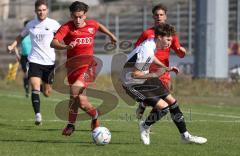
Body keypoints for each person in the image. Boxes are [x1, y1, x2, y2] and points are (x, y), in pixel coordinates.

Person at [121, 23, 207, 145]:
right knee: (163, 107)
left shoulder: (152, 43)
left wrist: (165, 67)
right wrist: (156, 74)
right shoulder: (146, 49)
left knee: (172, 101)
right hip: (131, 83)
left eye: (171, 40)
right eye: (168, 39)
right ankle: (145, 126)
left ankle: (185, 136)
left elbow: (151, 58)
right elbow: (135, 74)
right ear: (160, 37)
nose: (169, 43)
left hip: (143, 76)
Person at [50, 1, 117, 136]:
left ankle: (88, 117)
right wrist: (66, 47)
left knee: (75, 92)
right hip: (73, 69)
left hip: (89, 67)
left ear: (85, 15)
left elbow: (98, 26)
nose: (78, 20)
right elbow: (53, 43)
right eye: (75, 17)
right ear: (71, 15)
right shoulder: (67, 27)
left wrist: (111, 36)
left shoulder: (91, 24)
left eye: (80, 16)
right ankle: (78, 121)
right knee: (77, 99)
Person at [7, 0, 60, 125]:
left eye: (43, 10)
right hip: (34, 60)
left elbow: (64, 35)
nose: (41, 12)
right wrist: (12, 45)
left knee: (47, 93)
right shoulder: (31, 24)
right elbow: (20, 36)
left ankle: (43, 87)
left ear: (47, 10)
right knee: (34, 87)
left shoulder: (54, 24)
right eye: (39, 10)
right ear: (35, 11)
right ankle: (38, 115)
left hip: (49, 62)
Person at [135, 3, 187, 120]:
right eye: (156, 15)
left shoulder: (170, 34)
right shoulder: (147, 33)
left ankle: (145, 108)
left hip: (163, 69)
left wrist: (182, 52)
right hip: (149, 70)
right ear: (153, 17)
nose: (159, 17)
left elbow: (179, 52)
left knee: (164, 98)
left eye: (161, 14)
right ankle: (146, 119)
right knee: (160, 98)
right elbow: (137, 49)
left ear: (165, 16)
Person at [9, 20, 32, 97]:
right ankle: (27, 89)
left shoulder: (33, 35)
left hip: (32, 57)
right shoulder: (22, 36)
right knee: (26, 74)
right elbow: (15, 45)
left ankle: (35, 88)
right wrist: (17, 54)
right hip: (24, 57)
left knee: (31, 74)